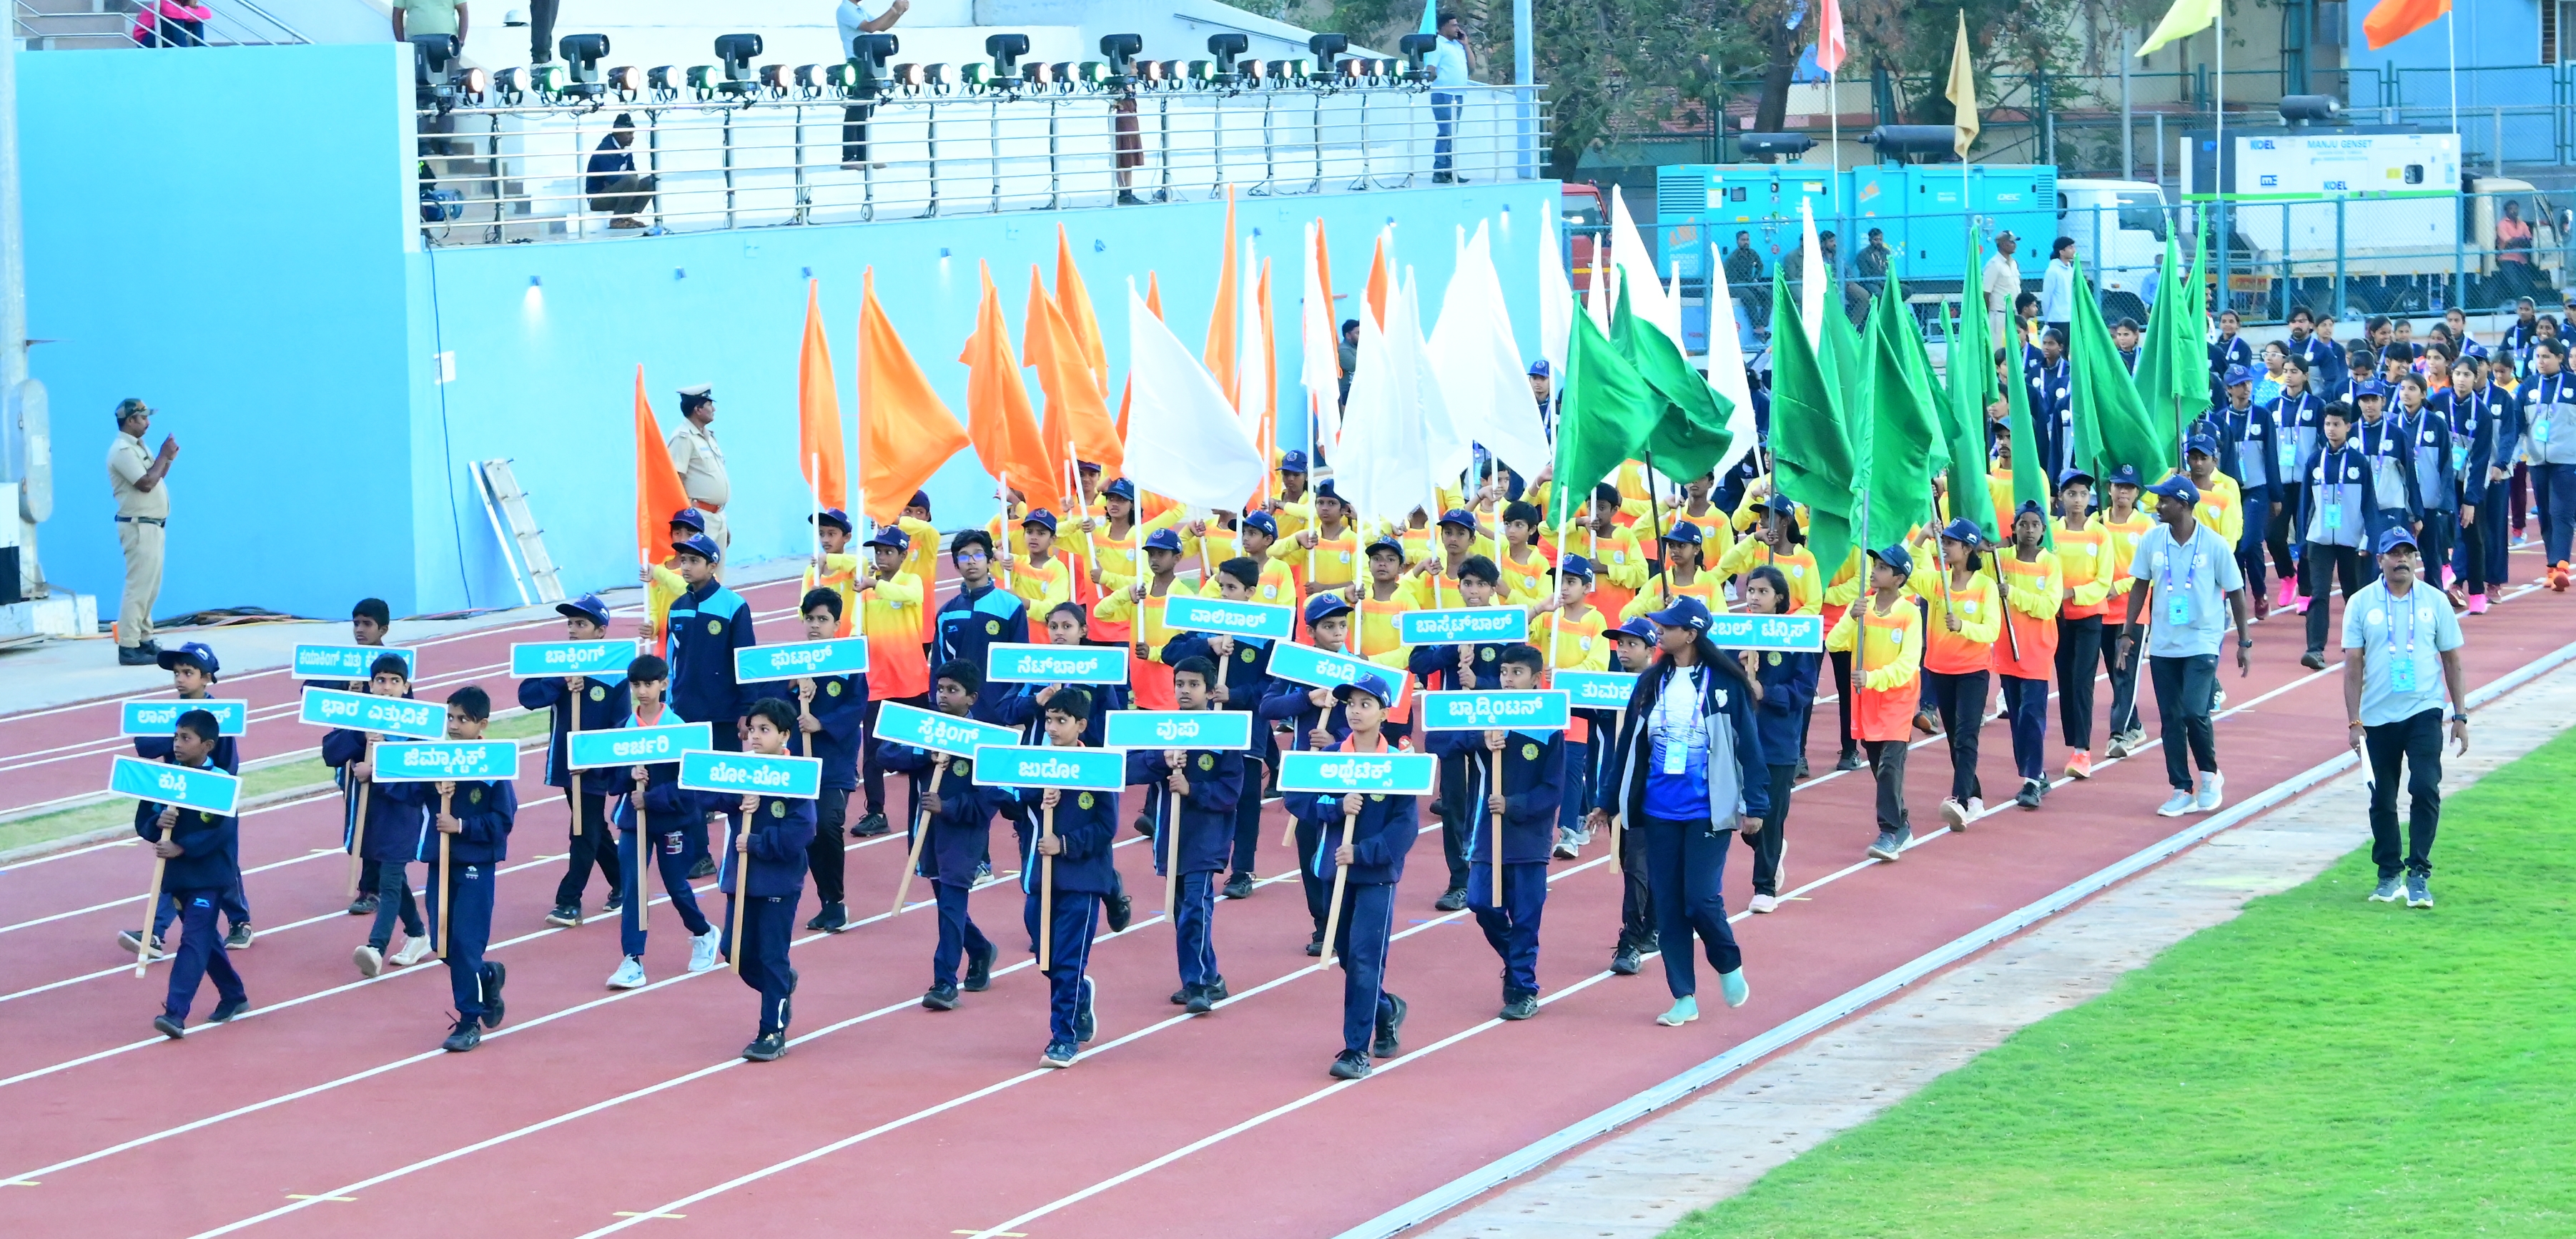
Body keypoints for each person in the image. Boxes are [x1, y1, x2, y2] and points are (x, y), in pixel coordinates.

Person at [1595, 597, 1766, 1027]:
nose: (1660, 632)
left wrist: (1756, 804)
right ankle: (1683, 996)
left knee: (1701, 898)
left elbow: (1748, 745)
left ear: (1690, 634)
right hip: (1658, 811)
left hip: (1708, 811)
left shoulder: (1725, 684)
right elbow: (1627, 748)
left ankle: (1727, 964)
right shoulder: (1650, 683)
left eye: (1668, 627)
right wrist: (1607, 800)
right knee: (1669, 905)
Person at [1428, 643, 1562, 1020]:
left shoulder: (1549, 722)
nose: (1508, 680)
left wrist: (1515, 805)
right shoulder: (1485, 711)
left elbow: (1554, 789)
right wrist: (1477, 739)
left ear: (1536, 680)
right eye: (1505, 673)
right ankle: (1515, 962)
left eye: (1517, 673)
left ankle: (1523, 987)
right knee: (1481, 903)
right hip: (1488, 833)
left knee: (1525, 917)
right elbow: (1438, 741)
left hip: (1529, 839)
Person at [2342, 528, 2469, 909]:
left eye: (2408, 554)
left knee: (2426, 788)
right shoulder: (2362, 603)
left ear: (2417, 559)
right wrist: (2354, 721)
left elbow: (2452, 660)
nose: (2402, 560)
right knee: (2382, 797)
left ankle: (2419, 873)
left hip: (2424, 711)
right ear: (2379, 560)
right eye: (2393, 554)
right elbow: (2352, 664)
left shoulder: (2434, 601)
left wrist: (2459, 714)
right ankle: (2388, 873)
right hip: (2377, 717)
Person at [2118, 474, 2254, 818]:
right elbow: (2139, 586)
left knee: (2194, 711)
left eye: (2164, 500)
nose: (2157, 505)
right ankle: (2181, 787)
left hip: (2202, 640)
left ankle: (2209, 775)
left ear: (2183, 504)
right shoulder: (2153, 540)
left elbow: (2236, 591)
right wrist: (2127, 633)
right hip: (2163, 643)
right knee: (2170, 719)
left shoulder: (2214, 544)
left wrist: (2244, 640)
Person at [1307, 673, 1418, 1079]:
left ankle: (1355, 1050)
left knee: (1366, 959)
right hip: (1332, 870)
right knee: (1346, 956)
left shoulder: (1399, 764)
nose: (1355, 711)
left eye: (1365, 704)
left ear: (1384, 713)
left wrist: (1364, 852)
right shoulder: (1332, 756)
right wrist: (1336, 808)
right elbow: (1302, 801)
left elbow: (1405, 826)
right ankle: (1386, 1010)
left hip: (1376, 875)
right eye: (1350, 704)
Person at [881, 661, 1005, 1010]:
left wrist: (947, 806)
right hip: (927, 834)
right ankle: (980, 949)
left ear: (972, 698)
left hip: (964, 838)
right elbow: (886, 752)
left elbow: (989, 800)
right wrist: (923, 753)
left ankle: (945, 982)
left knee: (951, 903)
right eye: (941, 689)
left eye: (953, 691)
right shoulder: (926, 727)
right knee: (948, 905)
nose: (943, 696)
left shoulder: (985, 739)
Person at [605, 654, 725, 990]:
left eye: (648, 684)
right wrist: (628, 776)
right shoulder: (623, 730)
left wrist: (653, 798)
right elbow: (611, 781)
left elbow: (691, 786)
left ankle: (703, 932)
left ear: (664, 684)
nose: (642, 691)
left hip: (674, 821)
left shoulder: (679, 729)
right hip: (634, 822)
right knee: (633, 886)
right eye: (636, 685)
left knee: (676, 885)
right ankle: (632, 959)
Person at [124, 642, 251, 958]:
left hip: (209, 799)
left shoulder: (217, 718)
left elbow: (227, 763)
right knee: (174, 858)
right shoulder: (169, 716)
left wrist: (207, 790)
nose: (180, 678)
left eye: (188, 673)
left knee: (220, 859)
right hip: (175, 796)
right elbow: (145, 746)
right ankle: (155, 931)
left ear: (206, 678)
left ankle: (240, 920)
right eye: (177, 672)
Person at [1010, 688, 1115, 1068]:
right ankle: (1080, 995)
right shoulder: (1037, 762)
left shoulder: (1098, 766)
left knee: (1068, 962)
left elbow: (1107, 825)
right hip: (1041, 880)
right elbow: (1012, 802)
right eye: (1049, 720)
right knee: (1047, 960)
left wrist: (1066, 844)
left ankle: (1063, 1038)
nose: (1053, 728)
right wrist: (1038, 796)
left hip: (1082, 882)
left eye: (1061, 721)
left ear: (1080, 725)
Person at [1140, 656, 1246, 1015]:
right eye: (1180, 684)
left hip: (1206, 841)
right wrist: (1162, 760)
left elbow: (1231, 793)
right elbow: (1134, 767)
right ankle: (1207, 976)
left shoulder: (1225, 734)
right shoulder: (1166, 730)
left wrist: (1192, 790)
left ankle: (1198, 983)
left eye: (1194, 685)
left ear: (1211, 691)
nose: (1185, 691)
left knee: (1195, 912)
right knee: (1181, 911)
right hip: (1172, 838)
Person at [517, 593, 630, 929]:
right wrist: (561, 681)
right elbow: (527, 698)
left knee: (582, 831)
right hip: (567, 765)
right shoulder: (558, 664)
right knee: (593, 829)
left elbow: (619, 726)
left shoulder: (615, 672)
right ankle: (625, 882)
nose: (573, 629)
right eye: (570, 623)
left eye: (581, 624)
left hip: (594, 768)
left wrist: (600, 765)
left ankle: (569, 901)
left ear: (600, 631)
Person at [138, 710, 249, 1039]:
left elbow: (222, 831)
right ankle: (234, 996)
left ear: (208, 745)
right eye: (176, 737)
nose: (178, 744)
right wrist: (156, 827)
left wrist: (183, 847)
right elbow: (144, 818)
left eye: (186, 738)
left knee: (193, 940)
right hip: (177, 877)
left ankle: (175, 1013)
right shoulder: (165, 779)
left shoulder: (220, 783)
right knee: (206, 941)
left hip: (210, 876)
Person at [1409, 553, 1511, 910]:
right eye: (1468, 584)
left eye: (1482, 585)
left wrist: (1478, 681)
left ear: (1492, 589)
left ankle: (1494, 870)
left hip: (1488, 726)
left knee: (1490, 801)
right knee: (1453, 805)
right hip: (1451, 725)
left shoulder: (1505, 627)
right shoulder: (1446, 624)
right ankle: (1459, 879)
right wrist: (1453, 651)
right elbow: (1418, 662)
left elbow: (1518, 678)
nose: (1474, 591)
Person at [720, 699, 818, 1062]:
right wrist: (735, 801)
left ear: (784, 735)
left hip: (778, 884)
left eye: (765, 730)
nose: (756, 737)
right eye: (752, 730)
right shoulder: (741, 770)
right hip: (741, 881)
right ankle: (779, 990)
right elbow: (707, 796)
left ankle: (771, 1031)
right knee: (734, 952)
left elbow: (802, 830)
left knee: (772, 956)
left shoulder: (795, 776)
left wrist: (758, 843)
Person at [328, 655, 435, 977]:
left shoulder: (418, 724)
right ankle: (417, 935)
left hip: (403, 814)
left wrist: (377, 770)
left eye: (394, 681)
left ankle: (376, 947)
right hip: (369, 816)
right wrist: (361, 739)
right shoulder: (361, 720)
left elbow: (420, 773)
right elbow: (330, 753)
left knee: (388, 881)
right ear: (371, 684)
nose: (386, 687)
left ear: (407, 687)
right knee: (395, 878)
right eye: (380, 680)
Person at [423, 686, 515, 1052]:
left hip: (475, 864)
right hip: (440, 861)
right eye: (450, 717)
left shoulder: (492, 767)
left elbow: (503, 820)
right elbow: (407, 793)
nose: (454, 725)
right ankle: (487, 975)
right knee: (442, 943)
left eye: (463, 719)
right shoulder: (436, 759)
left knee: (464, 943)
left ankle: (468, 1020)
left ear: (482, 725)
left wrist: (462, 826)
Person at [1909, 518, 2001, 828]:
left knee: (1966, 735)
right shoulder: (1939, 582)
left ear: (1967, 547)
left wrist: (1963, 626)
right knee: (1954, 738)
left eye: (1950, 543)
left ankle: (1959, 799)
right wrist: (1922, 536)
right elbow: (1907, 574)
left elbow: (1992, 630)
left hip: (1973, 671)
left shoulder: (1985, 585)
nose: (1944, 547)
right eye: (1943, 541)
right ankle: (1973, 796)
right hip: (1940, 669)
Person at [788, 589, 868, 933]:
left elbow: (857, 705)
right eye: (810, 619)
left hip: (835, 762)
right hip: (798, 758)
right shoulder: (793, 661)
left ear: (837, 624)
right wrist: (793, 688)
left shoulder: (849, 661)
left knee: (826, 825)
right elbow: (774, 705)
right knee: (806, 831)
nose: (815, 626)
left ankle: (835, 901)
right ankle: (823, 902)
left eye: (823, 620)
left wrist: (822, 723)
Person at [1738, 567, 1814, 913]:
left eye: (1762, 591)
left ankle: (1764, 887)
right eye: (1750, 590)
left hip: (1777, 740)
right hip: (1740, 739)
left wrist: (1765, 691)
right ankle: (1772, 847)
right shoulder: (1736, 633)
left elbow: (1805, 690)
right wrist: (1738, 667)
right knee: (1747, 825)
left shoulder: (1797, 637)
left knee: (1769, 814)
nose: (1753, 597)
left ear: (1779, 598)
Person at [2296, 404, 2392, 668]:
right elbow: (2305, 502)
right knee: (2319, 594)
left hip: (2352, 541)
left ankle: (2361, 644)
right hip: (2320, 539)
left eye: (2337, 424)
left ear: (2349, 427)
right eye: (2327, 424)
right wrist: (2304, 539)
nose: (2331, 429)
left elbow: (2370, 505)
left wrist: (2371, 540)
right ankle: (2314, 649)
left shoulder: (2359, 462)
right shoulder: (2315, 460)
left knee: (2354, 594)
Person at [857, 525, 929, 836]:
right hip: (879, 682)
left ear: (903, 555)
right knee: (872, 753)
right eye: (878, 552)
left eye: (888, 552)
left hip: (912, 681)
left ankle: (925, 805)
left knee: (920, 751)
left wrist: (875, 585)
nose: (882, 557)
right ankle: (876, 812)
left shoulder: (910, 581)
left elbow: (911, 596)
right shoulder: (865, 591)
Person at [1993, 502, 2062, 809]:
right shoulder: (2000, 560)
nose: (2030, 530)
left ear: (2044, 530)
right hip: (2007, 651)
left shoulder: (2050, 564)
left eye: (2035, 525)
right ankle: (2036, 771)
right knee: (2017, 718)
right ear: (2014, 528)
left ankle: (2031, 781)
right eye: (2024, 524)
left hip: (2036, 652)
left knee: (2032, 716)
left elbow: (2048, 606)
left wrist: (2014, 594)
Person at [107, 398, 179, 666]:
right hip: (139, 526)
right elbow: (146, 483)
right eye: (143, 418)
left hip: (153, 525)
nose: (148, 423)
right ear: (130, 420)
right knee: (138, 587)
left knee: (150, 587)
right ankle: (128, 645)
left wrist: (167, 459)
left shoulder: (137, 447)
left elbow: (156, 475)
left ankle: (144, 639)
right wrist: (162, 454)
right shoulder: (122, 451)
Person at [2050, 471, 2113, 779]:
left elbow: (2103, 581)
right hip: (2058, 619)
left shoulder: (2100, 534)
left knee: (2082, 680)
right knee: (2065, 680)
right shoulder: (2051, 531)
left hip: (2089, 617)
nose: (2077, 500)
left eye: (2083, 494)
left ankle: (2083, 751)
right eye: (2071, 494)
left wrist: (2073, 592)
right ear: (2061, 497)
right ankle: (2074, 741)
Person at [937, 529, 1032, 721]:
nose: (971, 561)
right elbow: (940, 666)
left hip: (1000, 708)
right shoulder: (946, 613)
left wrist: (1016, 709)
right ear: (956, 565)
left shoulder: (1010, 605)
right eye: (964, 557)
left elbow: (1020, 661)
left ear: (990, 561)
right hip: (960, 712)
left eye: (978, 554)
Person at [2097, 465, 2154, 759]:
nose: (2122, 492)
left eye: (2129, 488)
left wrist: (2117, 588)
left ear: (2137, 493)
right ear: (2109, 488)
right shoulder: (2097, 522)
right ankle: (2135, 725)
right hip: (2101, 610)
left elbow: (2150, 571)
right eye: (2118, 486)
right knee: (2114, 671)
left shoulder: (2146, 526)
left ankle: (2117, 734)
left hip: (2132, 612)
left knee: (2125, 674)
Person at [2517, 337, 2576, 590]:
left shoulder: (2573, 384)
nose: (2541, 362)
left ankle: (2562, 564)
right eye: (2538, 357)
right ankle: (2552, 567)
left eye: (2546, 357)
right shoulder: (2528, 386)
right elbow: (2518, 423)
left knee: (2561, 512)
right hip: (2537, 460)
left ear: (2560, 358)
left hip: (2568, 458)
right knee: (2545, 514)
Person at [837, 0, 909, 169]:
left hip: (869, 61)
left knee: (867, 109)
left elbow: (881, 27)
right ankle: (849, 157)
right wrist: (893, 9)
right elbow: (869, 27)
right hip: (856, 62)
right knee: (856, 109)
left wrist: (898, 12)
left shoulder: (859, 10)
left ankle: (864, 156)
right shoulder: (845, 9)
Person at [667, 386, 731, 555]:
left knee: (715, 575)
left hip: (717, 516)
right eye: (710, 404)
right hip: (699, 519)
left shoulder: (708, 437)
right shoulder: (683, 438)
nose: (714, 409)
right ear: (698, 409)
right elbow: (675, 481)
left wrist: (722, 521)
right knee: (699, 573)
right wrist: (687, 524)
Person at [584, 116, 656, 228]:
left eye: (632, 134)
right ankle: (617, 220)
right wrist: (626, 179)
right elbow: (612, 178)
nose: (632, 137)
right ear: (618, 134)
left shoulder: (626, 149)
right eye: (629, 134)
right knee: (630, 180)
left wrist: (626, 180)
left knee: (652, 181)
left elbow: (633, 172)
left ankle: (626, 216)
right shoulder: (605, 149)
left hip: (616, 192)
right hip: (598, 198)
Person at [1426, 13, 1473, 184]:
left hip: (1458, 94)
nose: (1457, 28)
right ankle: (1439, 171)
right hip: (1443, 94)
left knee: (1452, 134)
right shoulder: (1438, 44)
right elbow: (1431, 68)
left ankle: (1450, 170)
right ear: (1444, 26)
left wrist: (1466, 45)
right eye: (1453, 25)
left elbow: (1472, 66)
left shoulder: (1457, 45)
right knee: (1445, 132)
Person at [1982, 231, 2022, 344]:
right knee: (1999, 350)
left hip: (2014, 313)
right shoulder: (1994, 264)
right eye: (2012, 242)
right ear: (2003, 244)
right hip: (1999, 315)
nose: (2015, 245)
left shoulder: (2014, 263)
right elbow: (1986, 293)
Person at [2039, 237, 2077, 342]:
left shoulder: (2070, 268)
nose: (2074, 250)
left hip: (2071, 318)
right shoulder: (2053, 271)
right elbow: (2046, 298)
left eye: (2074, 247)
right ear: (2061, 251)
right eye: (2070, 247)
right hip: (2057, 320)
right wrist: (2047, 318)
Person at [129, 0, 210, 46]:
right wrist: (190, 12)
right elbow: (178, 14)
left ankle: (200, 47)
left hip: (164, 37)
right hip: (145, 40)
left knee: (196, 21)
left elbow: (206, 14)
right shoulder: (163, 2)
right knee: (174, 18)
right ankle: (182, 48)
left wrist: (187, 10)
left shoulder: (181, 4)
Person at [390, 0, 467, 49]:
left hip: (447, 43)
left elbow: (463, 11)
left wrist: (461, 40)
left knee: (449, 74)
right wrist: (402, 44)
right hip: (416, 44)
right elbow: (397, 15)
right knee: (418, 74)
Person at [1338, 319, 1360, 409]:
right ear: (1348, 336)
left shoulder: (1358, 348)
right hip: (1348, 395)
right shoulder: (1343, 350)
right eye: (1358, 333)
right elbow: (1357, 366)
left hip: (1359, 391)